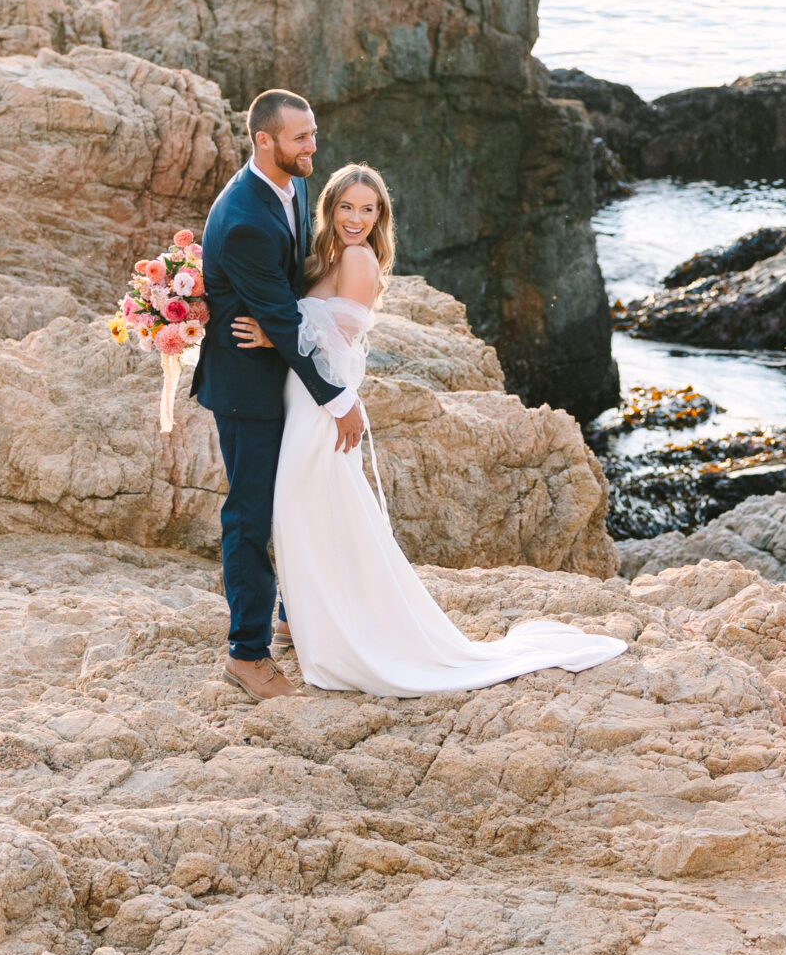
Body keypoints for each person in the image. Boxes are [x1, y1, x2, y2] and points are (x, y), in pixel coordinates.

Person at [228, 162, 629, 697]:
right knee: (311, 510)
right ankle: (295, 618)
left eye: (368, 209)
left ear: (380, 215)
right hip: (305, 397)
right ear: (330, 207)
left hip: (324, 401)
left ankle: (317, 625)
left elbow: (337, 337)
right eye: (347, 207)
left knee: (309, 507)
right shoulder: (325, 254)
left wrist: (271, 332)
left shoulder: (358, 258)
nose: (356, 218)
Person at [191, 90, 366, 702]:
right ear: (264, 141)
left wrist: (277, 323)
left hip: (278, 378)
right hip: (248, 391)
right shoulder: (243, 216)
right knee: (249, 516)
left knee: (294, 496)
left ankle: (291, 615)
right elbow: (284, 319)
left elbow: (287, 300)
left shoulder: (285, 192)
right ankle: (246, 653)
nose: (313, 146)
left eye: (314, 133)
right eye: (300, 138)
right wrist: (339, 399)